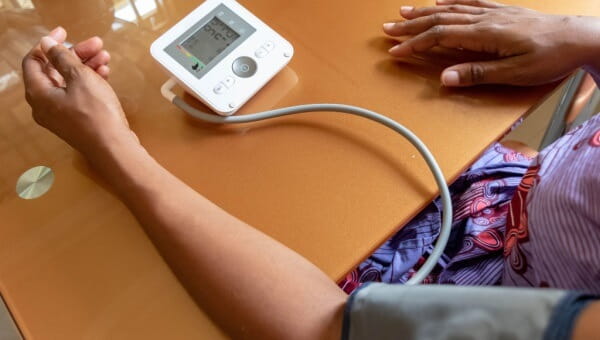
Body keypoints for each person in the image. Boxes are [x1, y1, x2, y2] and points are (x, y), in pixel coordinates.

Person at [20, 0, 600, 339]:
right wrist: (584, 39)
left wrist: (115, 154)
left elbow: (327, 327)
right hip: (506, 204)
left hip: (471, 295)